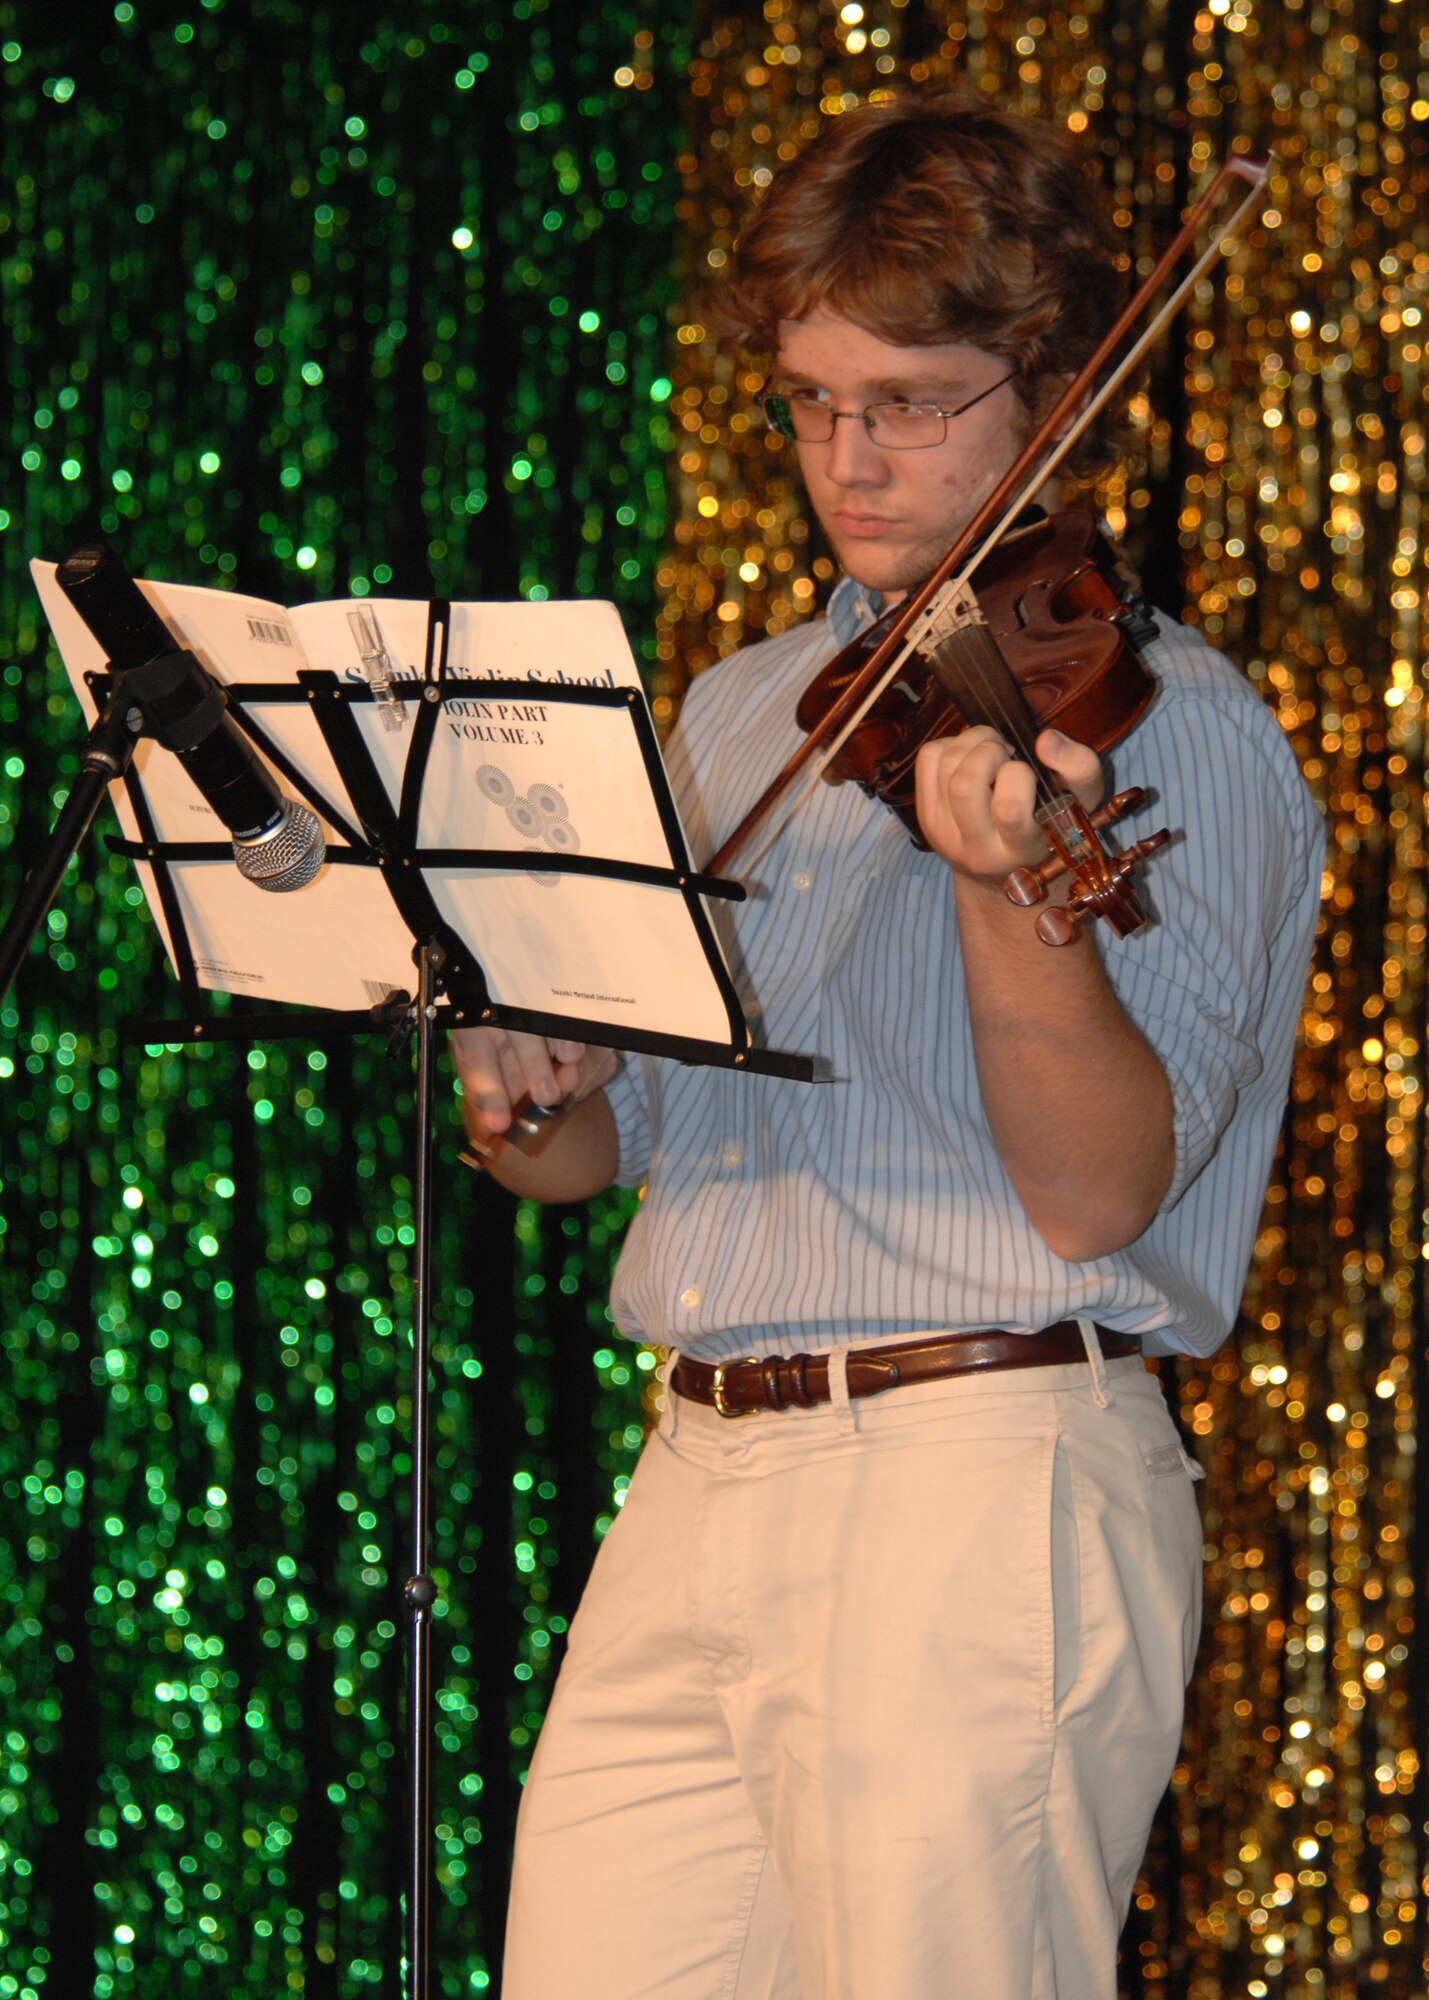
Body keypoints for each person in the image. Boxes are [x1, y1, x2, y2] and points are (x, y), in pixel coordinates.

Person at [452, 90, 1322, 2000]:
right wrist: (528, 1091)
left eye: (910, 403)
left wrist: (1010, 893)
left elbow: (1096, 1190)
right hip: (696, 1471)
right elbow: (626, 1150)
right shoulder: (743, 708)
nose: (847, 458)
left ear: (1059, 391)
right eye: (810, 401)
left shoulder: (1170, 725)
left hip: (976, 1467)